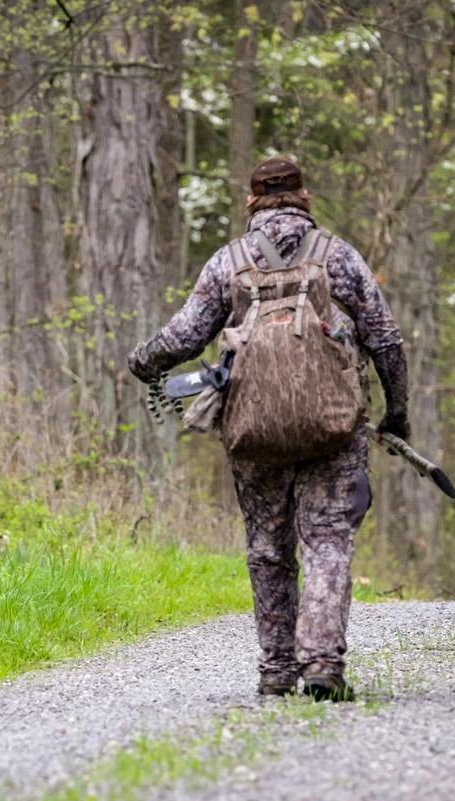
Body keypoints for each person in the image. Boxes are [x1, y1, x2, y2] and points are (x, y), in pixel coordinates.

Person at [127, 156, 410, 701]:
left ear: (252, 201)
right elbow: (386, 341)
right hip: (334, 429)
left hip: (253, 431)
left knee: (267, 546)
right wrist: (398, 412)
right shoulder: (338, 256)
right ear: (303, 195)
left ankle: (277, 669)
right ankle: (323, 663)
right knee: (327, 539)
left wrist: (141, 363)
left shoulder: (227, 263)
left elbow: (183, 337)